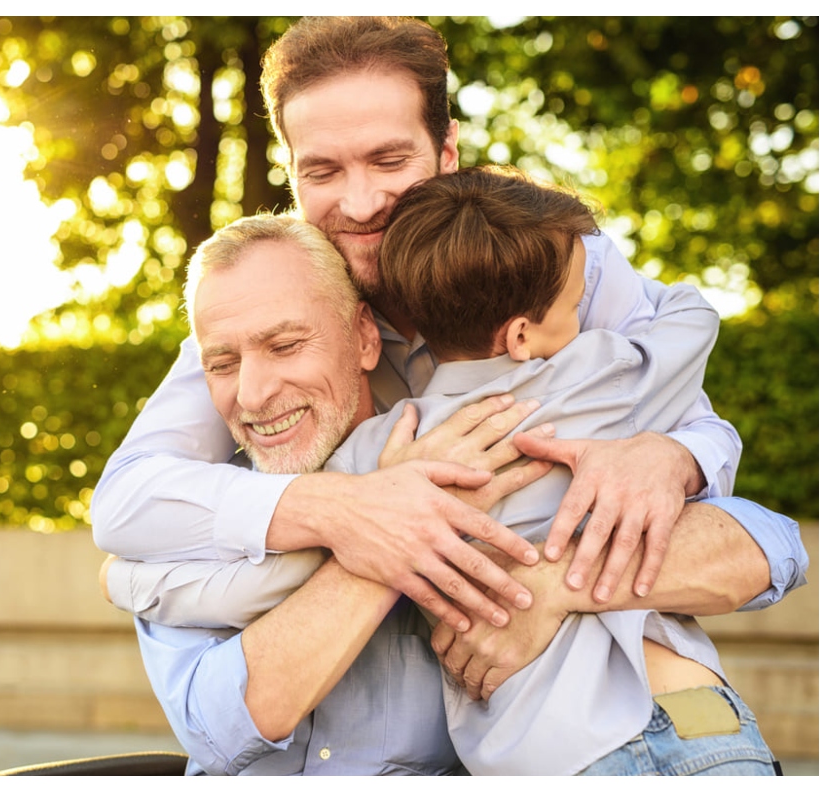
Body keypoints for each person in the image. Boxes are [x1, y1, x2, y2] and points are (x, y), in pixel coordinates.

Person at [93, 15, 807, 773]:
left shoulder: (549, 266)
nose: (362, 203)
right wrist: (363, 511)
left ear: (447, 151)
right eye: (323, 171)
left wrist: (669, 457)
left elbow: (737, 498)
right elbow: (130, 502)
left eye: (389, 159)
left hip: (627, 724)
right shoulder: (264, 322)